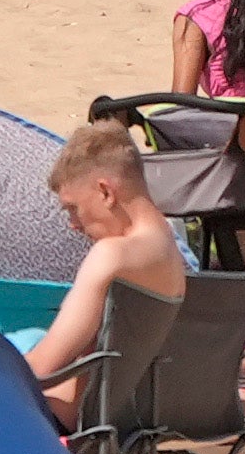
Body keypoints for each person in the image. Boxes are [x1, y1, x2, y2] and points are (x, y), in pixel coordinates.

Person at [15, 116, 195, 419]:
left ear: (106, 192)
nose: (73, 224)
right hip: (128, 422)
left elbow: (44, 366)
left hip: (68, 420)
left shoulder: (112, 255)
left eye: (74, 208)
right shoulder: (174, 255)